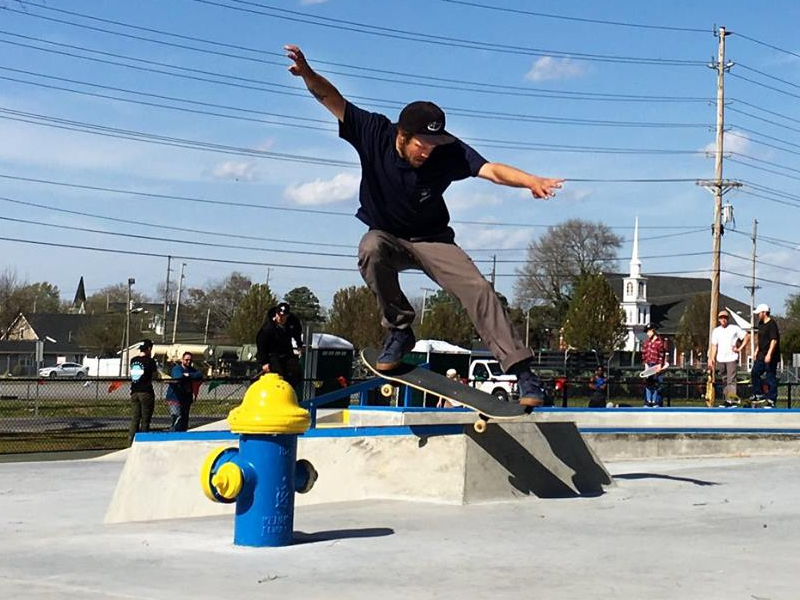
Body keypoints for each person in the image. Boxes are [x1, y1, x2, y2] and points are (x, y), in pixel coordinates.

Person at [285, 44, 564, 409]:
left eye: (434, 145)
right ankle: (400, 330)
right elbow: (331, 98)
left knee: (479, 290)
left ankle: (525, 374)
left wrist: (530, 181)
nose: (428, 152)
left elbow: (490, 170)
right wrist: (308, 74)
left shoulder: (448, 151)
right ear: (402, 135)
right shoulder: (374, 132)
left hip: (433, 239)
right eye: (422, 145)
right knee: (370, 247)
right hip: (388, 236)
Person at [256, 302, 303, 388]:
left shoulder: (293, 322)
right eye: (279, 316)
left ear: (287, 316)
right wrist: (264, 362)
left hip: (286, 350)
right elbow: (261, 345)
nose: (281, 318)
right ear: (276, 314)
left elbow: (297, 333)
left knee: (296, 372)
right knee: (278, 373)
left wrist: (299, 344)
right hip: (271, 353)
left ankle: (289, 390)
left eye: (283, 316)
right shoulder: (268, 327)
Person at [708, 309, 747, 407]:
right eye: (721, 318)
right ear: (718, 319)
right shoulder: (716, 331)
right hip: (721, 359)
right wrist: (711, 358)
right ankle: (727, 400)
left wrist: (739, 348)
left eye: (725, 317)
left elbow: (746, 336)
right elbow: (714, 345)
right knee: (724, 380)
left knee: (731, 379)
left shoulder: (734, 328)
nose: (723, 319)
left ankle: (732, 400)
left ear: (728, 319)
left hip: (731, 358)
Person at [745, 303, 780, 407]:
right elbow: (760, 340)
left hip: (771, 355)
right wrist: (756, 350)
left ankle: (771, 400)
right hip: (761, 354)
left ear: (764, 313)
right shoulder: (760, 324)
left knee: (770, 377)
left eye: (759, 313)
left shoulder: (772, 324)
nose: (757, 315)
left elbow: (774, 340)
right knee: (755, 372)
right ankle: (758, 393)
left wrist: (769, 354)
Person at [128, 339, 159, 445]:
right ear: (149, 348)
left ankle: (131, 441)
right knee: (145, 420)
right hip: (146, 392)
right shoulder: (150, 361)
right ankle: (143, 442)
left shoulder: (133, 360)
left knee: (135, 418)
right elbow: (155, 376)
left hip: (134, 392)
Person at [165, 351, 203, 432]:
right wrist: (186, 376)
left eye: (190, 360)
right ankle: (173, 434)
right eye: (186, 360)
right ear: (182, 360)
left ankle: (182, 434)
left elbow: (199, 374)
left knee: (184, 419)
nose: (188, 362)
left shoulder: (191, 370)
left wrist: (189, 375)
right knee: (177, 417)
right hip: (174, 397)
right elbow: (179, 376)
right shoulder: (177, 369)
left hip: (186, 398)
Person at [641, 324, 668, 407]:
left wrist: (660, 365)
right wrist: (646, 365)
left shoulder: (659, 342)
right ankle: (648, 402)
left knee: (656, 384)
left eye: (649, 331)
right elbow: (644, 354)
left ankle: (656, 402)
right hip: (648, 365)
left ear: (653, 330)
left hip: (656, 365)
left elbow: (661, 354)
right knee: (648, 384)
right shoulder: (646, 342)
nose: (648, 333)